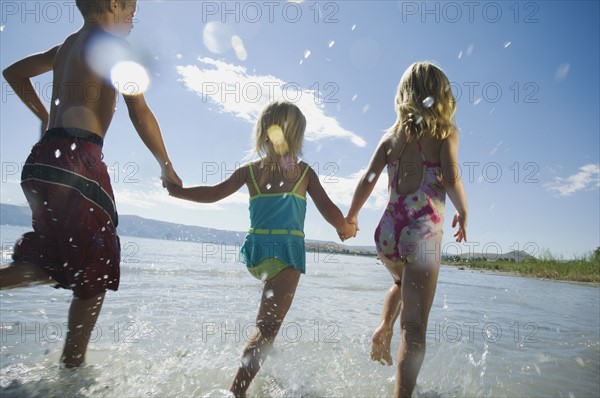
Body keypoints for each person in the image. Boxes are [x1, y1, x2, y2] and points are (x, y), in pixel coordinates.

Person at [0, 0, 181, 368]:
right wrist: (166, 165)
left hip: (41, 161)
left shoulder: (65, 47)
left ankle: (71, 364)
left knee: (50, 259)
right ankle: (72, 369)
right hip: (78, 161)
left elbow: (14, 73)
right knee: (96, 266)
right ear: (114, 4)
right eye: (131, 10)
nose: (132, 20)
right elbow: (139, 109)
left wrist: (46, 115)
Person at [165, 100, 356, 398]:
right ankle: (235, 392)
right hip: (286, 254)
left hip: (256, 253)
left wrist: (178, 192)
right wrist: (346, 228)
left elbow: (213, 194)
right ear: (297, 136)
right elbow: (332, 213)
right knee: (266, 330)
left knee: (267, 327)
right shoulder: (303, 173)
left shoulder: (250, 172)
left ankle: (264, 377)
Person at [346, 61, 468, 397]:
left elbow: (367, 179)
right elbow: (451, 173)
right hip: (424, 232)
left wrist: (352, 216)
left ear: (404, 95)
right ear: (442, 96)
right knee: (413, 331)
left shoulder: (390, 137)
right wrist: (463, 209)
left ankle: (383, 328)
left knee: (402, 282)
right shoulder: (445, 133)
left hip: (387, 232)